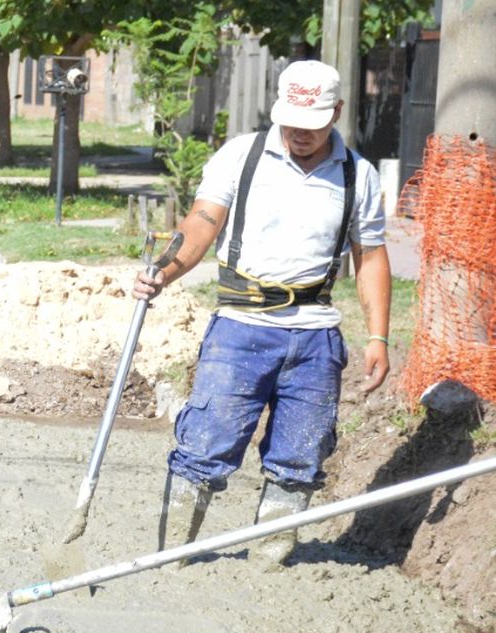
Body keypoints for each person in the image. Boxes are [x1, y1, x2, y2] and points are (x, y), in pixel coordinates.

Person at [133, 60, 391, 567]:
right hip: (240, 328)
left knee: (301, 453)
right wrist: (164, 271)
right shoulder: (241, 156)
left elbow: (372, 256)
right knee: (206, 442)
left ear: (336, 113)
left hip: (315, 335)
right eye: (291, 119)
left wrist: (378, 337)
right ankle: (174, 553)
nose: (298, 132)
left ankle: (272, 556)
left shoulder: (357, 175)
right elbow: (202, 223)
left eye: (313, 123)